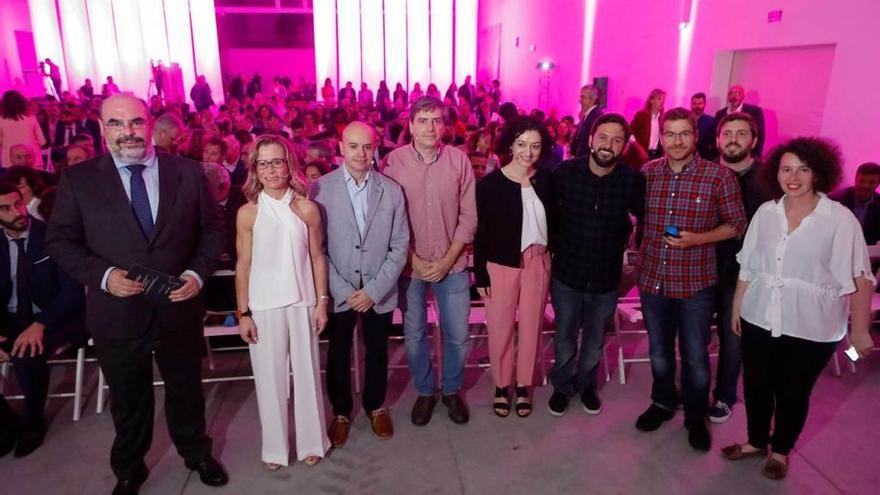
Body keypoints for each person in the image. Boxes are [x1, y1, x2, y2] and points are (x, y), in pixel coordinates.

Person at [47, 94, 228, 495]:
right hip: (116, 311)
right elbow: (60, 241)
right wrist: (104, 276)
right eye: (116, 123)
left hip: (177, 307)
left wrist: (197, 274)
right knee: (128, 400)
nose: (127, 131)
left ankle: (196, 453)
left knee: (186, 389)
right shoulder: (80, 180)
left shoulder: (186, 171)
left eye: (135, 122)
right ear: (101, 128)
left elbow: (213, 230)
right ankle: (130, 468)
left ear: (149, 124)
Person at [722, 137, 875, 480]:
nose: (794, 177)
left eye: (803, 169)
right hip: (758, 314)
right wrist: (737, 307)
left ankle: (780, 450)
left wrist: (861, 330)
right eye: (786, 169)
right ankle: (756, 441)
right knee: (756, 385)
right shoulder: (766, 212)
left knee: (793, 391)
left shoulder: (839, 219)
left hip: (812, 325)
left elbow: (861, 277)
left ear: (818, 173)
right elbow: (748, 265)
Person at [635, 107, 746, 452]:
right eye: (670, 134)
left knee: (696, 354)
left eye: (684, 133)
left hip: (696, 282)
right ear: (662, 137)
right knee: (659, 351)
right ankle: (663, 402)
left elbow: (738, 224)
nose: (677, 140)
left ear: (696, 137)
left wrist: (697, 238)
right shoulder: (648, 172)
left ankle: (695, 416)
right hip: (653, 278)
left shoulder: (718, 177)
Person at [234, 134, 331, 469]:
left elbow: (318, 258)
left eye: (277, 161)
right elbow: (242, 265)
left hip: (302, 301)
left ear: (289, 165)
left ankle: (312, 442)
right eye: (263, 163)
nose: (271, 170)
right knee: (268, 378)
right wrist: (243, 312)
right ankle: (274, 449)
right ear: (255, 170)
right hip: (262, 304)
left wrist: (321, 302)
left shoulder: (307, 209)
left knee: (307, 375)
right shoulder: (248, 213)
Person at [311, 122, 409, 447]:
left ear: (375, 148)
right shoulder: (319, 189)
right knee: (337, 353)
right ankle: (341, 411)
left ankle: (375, 406)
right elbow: (316, 249)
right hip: (339, 289)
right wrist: (342, 291)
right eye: (353, 146)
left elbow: (400, 246)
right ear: (340, 148)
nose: (360, 153)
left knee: (378, 351)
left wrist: (374, 291)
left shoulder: (392, 191)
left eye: (367, 146)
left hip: (378, 291)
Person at [383, 96, 477, 426]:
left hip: (451, 264)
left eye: (436, 120)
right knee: (414, 333)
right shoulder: (393, 163)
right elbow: (388, 218)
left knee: (457, 334)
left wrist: (451, 256)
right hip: (411, 266)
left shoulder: (459, 161)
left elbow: (468, 215)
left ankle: (451, 390)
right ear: (410, 125)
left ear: (444, 125)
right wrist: (412, 259)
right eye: (423, 120)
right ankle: (425, 391)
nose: (430, 127)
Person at [546, 113, 646, 416]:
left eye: (617, 140)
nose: (608, 145)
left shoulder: (631, 180)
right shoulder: (565, 173)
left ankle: (586, 385)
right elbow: (547, 216)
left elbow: (644, 219)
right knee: (564, 337)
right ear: (590, 139)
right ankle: (562, 386)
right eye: (603, 137)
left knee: (594, 340)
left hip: (605, 277)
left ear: (623, 145)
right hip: (567, 274)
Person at [473, 117, 553, 418]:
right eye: (521, 144)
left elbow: (556, 222)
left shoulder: (547, 179)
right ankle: (501, 385)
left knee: (532, 327)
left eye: (535, 146)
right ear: (510, 145)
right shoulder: (491, 185)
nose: (528, 152)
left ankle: (522, 386)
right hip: (500, 265)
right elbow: (481, 233)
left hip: (538, 261)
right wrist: (479, 272)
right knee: (500, 329)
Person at [0, 180, 85, 458]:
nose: (17, 212)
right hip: (11, 318)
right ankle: (6, 426)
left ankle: (33, 425)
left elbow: (72, 293)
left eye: (18, 203)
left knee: (26, 353)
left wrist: (39, 325)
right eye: (5, 208)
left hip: (55, 316)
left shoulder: (51, 237)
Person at [709, 112, 771, 424]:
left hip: (746, 274)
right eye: (728, 133)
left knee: (733, 340)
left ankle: (724, 395)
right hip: (703, 266)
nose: (734, 138)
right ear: (718, 139)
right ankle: (693, 388)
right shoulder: (704, 172)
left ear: (754, 140)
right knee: (694, 335)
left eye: (742, 133)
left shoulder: (769, 180)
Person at [830, 162, 880, 245]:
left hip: (869, 254)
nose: (866, 186)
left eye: (871, 183)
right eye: (862, 181)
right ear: (856, 179)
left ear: (878, 184)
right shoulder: (836, 200)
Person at [714, 85, 765, 157]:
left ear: (743, 96)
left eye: (737, 93)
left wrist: (755, 156)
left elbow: (760, 136)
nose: (734, 96)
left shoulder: (755, 112)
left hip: (747, 156)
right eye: (731, 93)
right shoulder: (720, 114)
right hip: (723, 156)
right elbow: (715, 135)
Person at [0, 90, 46, 169]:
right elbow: (42, 141)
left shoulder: (1, 121)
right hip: (32, 159)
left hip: (10, 162)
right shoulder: (31, 118)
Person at [630, 88, 666, 160]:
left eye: (663, 99)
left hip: (656, 155)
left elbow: (661, 137)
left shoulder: (662, 118)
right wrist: (639, 148)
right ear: (651, 101)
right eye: (659, 99)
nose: (662, 102)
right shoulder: (641, 115)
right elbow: (630, 133)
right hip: (641, 154)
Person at [569, 85, 603, 158]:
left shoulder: (596, 117)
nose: (580, 100)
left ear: (592, 99)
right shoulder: (588, 115)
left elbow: (591, 145)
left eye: (583, 97)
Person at [691, 93, 718, 161]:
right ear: (691, 104)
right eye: (694, 103)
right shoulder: (685, 120)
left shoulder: (711, 121)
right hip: (685, 157)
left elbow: (714, 143)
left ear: (704, 104)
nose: (697, 106)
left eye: (700, 103)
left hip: (704, 159)